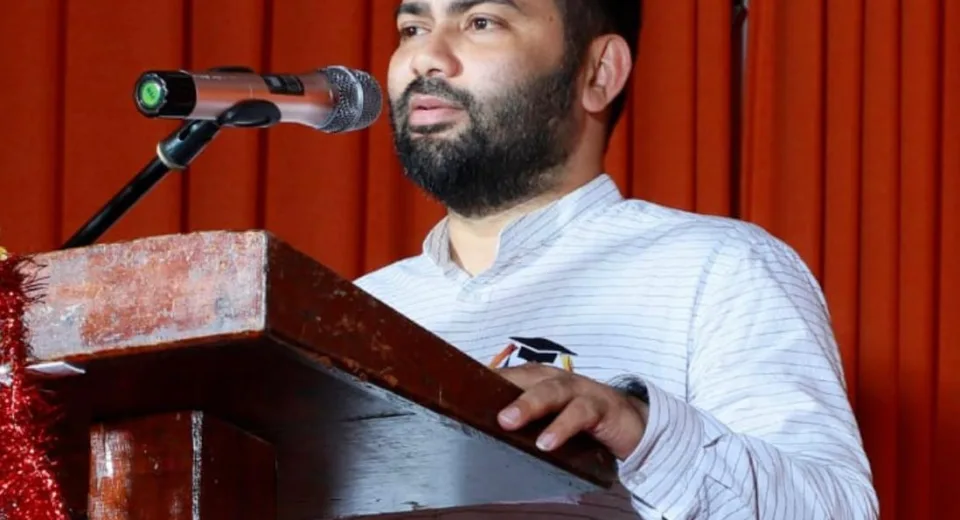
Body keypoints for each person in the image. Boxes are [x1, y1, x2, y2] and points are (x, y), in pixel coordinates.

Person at [354, 0, 880, 518]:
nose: (426, 57)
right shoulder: (359, 309)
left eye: (481, 22)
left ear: (598, 73)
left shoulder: (721, 268)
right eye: (413, 28)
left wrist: (640, 429)